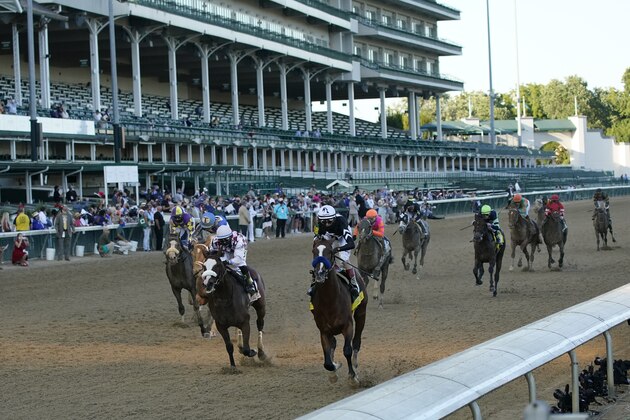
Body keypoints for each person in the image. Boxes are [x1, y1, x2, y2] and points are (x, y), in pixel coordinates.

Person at [311, 205, 360, 301]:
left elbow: (351, 244)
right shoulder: (318, 224)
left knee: (344, 259)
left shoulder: (341, 222)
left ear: (334, 218)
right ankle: (315, 279)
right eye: (323, 221)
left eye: (329, 221)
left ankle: (353, 282)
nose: (326, 223)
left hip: (342, 236)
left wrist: (337, 249)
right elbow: (316, 240)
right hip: (330, 235)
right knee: (322, 252)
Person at [207, 224, 259, 301]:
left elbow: (238, 259)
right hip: (226, 250)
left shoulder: (239, 240)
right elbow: (211, 253)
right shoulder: (215, 241)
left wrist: (228, 261)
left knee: (240, 264)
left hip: (238, 250)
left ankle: (249, 283)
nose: (223, 242)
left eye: (225, 239)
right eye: (221, 240)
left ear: (230, 237)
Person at [354, 209, 392, 278]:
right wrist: (354, 234)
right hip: (367, 233)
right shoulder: (364, 220)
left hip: (377, 234)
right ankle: (357, 250)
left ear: (375, 217)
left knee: (386, 242)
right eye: (368, 218)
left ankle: (384, 253)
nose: (370, 220)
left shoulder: (379, 221)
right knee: (360, 240)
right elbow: (357, 227)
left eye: (371, 219)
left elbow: (381, 234)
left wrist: (372, 232)